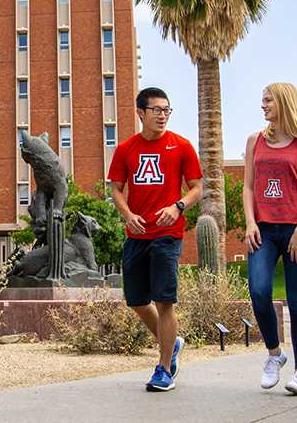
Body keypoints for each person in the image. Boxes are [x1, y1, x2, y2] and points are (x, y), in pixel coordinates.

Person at [108, 87, 203, 392]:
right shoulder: (125, 149)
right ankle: (172, 343)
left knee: (164, 301)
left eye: (167, 110)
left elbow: (197, 189)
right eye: (156, 110)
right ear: (140, 113)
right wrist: (128, 215)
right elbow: (116, 190)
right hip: (136, 234)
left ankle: (164, 370)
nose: (162, 115)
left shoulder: (182, 146)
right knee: (136, 301)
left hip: (167, 234)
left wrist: (177, 207)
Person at [242, 82, 297, 396]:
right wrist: (250, 222)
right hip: (263, 230)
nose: (263, 105)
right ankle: (275, 354)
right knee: (259, 292)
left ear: (284, 102)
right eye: (262, 100)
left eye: (268, 100)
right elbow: (248, 186)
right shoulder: (255, 141)